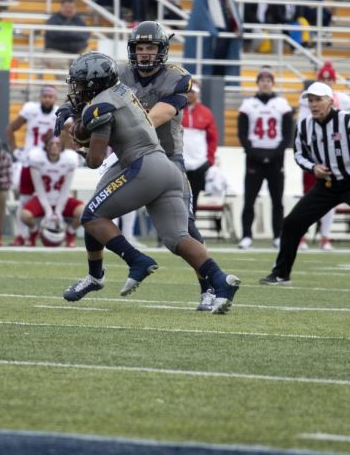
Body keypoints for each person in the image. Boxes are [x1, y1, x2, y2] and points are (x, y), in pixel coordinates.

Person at [56, 52, 241, 312]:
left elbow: (95, 161)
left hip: (142, 166)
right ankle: (221, 282)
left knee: (92, 217)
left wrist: (79, 144)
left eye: (78, 82)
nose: (74, 88)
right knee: (177, 237)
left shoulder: (100, 108)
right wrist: (78, 116)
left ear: (93, 83)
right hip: (167, 168)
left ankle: (136, 260)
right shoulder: (121, 91)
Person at [260, 81, 350, 289]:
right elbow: (299, 154)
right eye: (310, 100)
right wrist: (313, 167)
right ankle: (281, 273)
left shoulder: (349, 121)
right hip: (326, 184)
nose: (314, 104)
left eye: (318, 100)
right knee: (292, 223)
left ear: (331, 101)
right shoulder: (304, 125)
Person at [116, 22, 213, 309]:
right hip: (129, 157)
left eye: (151, 48)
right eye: (141, 48)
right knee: (94, 213)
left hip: (167, 159)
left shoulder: (176, 78)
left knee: (186, 228)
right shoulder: (119, 73)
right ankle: (95, 274)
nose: (145, 54)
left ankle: (209, 286)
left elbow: (158, 116)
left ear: (162, 50)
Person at [296, 61, 350, 250]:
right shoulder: (308, 101)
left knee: (333, 198)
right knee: (307, 198)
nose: (327, 81)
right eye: (323, 78)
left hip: (335, 156)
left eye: (329, 79)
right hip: (314, 154)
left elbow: (346, 128)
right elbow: (303, 126)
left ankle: (325, 236)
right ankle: (301, 235)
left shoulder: (343, 100)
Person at [237, 68, 294, 249]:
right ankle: (247, 236)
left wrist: (275, 153)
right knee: (250, 199)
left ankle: (278, 235)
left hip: (276, 157)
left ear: (273, 83)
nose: (265, 83)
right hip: (254, 157)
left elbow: (287, 134)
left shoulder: (282, 104)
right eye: (262, 80)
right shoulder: (248, 104)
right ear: (257, 83)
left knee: (277, 199)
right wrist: (253, 152)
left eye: (268, 80)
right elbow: (242, 133)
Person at [6, 85, 59, 246]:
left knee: (50, 201)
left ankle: (46, 233)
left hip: (48, 164)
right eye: (45, 96)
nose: (47, 99)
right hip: (29, 162)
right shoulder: (30, 109)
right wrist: (15, 150)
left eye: (51, 97)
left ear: (55, 99)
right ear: (40, 97)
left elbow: (69, 136)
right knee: (24, 200)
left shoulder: (60, 113)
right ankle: (22, 235)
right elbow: (10, 129)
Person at [19, 134, 82, 247]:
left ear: (62, 146)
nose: (54, 146)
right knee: (24, 215)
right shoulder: (37, 160)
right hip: (43, 198)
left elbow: (65, 189)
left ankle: (70, 233)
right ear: (46, 146)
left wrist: (58, 211)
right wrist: (48, 211)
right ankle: (34, 232)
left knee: (84, 211)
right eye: (51, 143)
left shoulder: (69, 161)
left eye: (57, 143)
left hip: (62, 199)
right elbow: (39, 189)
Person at [183, 0, 244, 82]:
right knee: (207, 66)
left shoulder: (228, 0)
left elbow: (235, 19)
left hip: (224, 41)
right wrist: (212, 30)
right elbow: (200, 17)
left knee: (222, 67)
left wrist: (237, 29)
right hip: (210, 40)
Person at [182, 82, 218, 212]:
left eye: (193, 91)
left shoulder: (206, 113)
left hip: (199, 164)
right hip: (180, 163)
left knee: (194, 199)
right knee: (178, 198)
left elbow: (212, 138)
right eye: (189, 91)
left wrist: (209, 160)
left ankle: (191, 230)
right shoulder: (176, 110)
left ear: (198, 93)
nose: (191, 94)